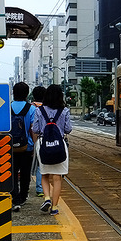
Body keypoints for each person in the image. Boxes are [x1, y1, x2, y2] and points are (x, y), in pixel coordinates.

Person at [32, 84, 72, 216]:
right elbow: (68, 129)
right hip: (59, 144)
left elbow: (36, 130)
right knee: (57, 177)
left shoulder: (39, 110)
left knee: (44, 174)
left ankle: (47, 198)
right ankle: (54, 207)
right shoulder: (64, 110)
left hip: (43, 144)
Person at [11, 82, 37, 212]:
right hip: (27, 147)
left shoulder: (7, 108)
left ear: (14, 92)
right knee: (26, 172)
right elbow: (33, 130)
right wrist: (35, 145)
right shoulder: (31, 109)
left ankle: (14, 198)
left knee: (12, 172)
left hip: (9, 148)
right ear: (27, 94)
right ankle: (23, 196)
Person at [30, 86, 46, 198]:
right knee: (41, 165)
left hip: (26, 141)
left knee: (24, 165)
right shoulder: (46, 108)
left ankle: (23, 188)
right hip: (40, 141)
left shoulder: (30, 108)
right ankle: (40, 188)